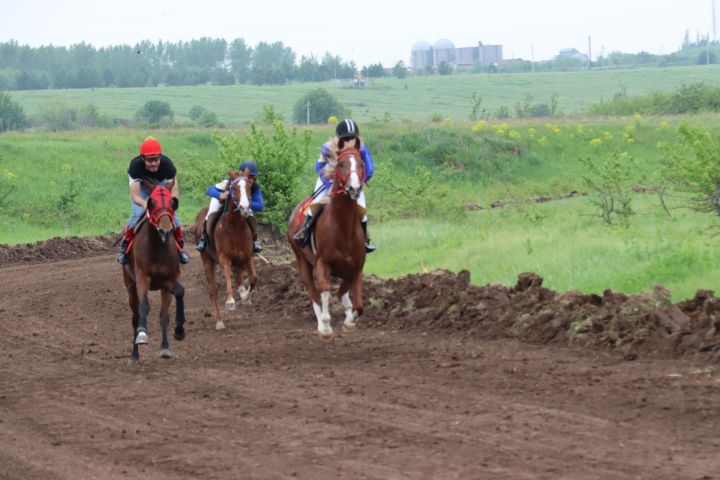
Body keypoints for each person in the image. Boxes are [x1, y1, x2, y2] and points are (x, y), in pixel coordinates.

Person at [293, 119, 376, 252]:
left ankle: (365, 240)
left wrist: (358, 183)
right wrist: (328, 184)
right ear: (338, 138)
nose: (349, 141)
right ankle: (305, 232)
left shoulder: (362, 148)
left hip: (352, 180)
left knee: (362, 208)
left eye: (352, 137)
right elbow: (319, 165)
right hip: (328, 177)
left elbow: (370, 168)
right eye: (346, 138)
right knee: (315, 203)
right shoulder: (327, 147)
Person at [116, 137, 191, 265]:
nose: (153, 163)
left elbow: (174, 191)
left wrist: (170, 204)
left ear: (160, 157)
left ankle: (179, 249)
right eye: (149, 160)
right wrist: (146, 204)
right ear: (143, 159)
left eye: (156, 159)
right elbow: (135, 196)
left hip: (162, 186)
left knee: (174, 218)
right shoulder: (135, 167)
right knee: (137, 213)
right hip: (142, 187)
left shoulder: (168, 166)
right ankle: (125, 247)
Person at [196, 160, 264, 253]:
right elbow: (210, 190)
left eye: (254, 177)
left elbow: (260, 206)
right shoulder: (228, 182)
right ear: (241, 173)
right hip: (222, 200)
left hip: (241, 205)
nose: (252, 180)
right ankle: (204, 238)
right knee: (212, 211)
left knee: (251, 216)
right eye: (250, 176)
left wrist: (244, 201)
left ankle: (254, 240)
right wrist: (220, 195)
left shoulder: (254, 187)